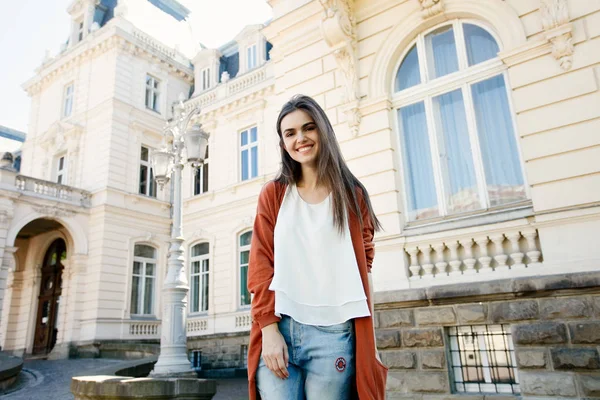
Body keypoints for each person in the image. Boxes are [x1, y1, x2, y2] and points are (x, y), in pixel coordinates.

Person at [247, 95, 388, 400]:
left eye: (308, 128)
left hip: (335, 335)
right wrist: (268, 330)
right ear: (283, 144)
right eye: (290, 133)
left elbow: (365, 271)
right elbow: (260, 266)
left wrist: (370, 343)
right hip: (281, 329)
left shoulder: (353, 196)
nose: (301, 138)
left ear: (323, 131)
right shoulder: (273, 195)